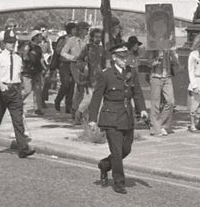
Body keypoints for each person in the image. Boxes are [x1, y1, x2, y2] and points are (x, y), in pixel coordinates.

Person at [91, 42, 148, 194]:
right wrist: (92, 119)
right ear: (114, 58)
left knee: (126, 149)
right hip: (111, 117)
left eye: (126, 57)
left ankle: (105, 165)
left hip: (127, 115)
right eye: (122, 57)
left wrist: (142, 109)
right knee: (116, 151)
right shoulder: (106, 74)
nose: (125, 60)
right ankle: (119, 182)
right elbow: (97, 97)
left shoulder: (131, 72)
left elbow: (137, 93)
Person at [0, 31, 35, 158]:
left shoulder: (18, 58)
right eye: (9, 42)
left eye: (13, 42)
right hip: (1, 90)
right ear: (4, 43)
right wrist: (1, 85)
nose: (12, 45)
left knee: (18, 120)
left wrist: (22, 88)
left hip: (14, 90)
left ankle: (23, 148)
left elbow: (20, 75)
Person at [147, 46, 180, 136]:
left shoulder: (170, 50)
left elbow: (176, 63)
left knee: (170, 101)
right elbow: (149, 63)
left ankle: (162, 125)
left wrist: (173, 53)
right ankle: (155, 129)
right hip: (156, 77)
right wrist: (157, 58)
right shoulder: (153, 48)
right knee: (155, 103)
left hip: (167, 77)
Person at [52, 22, 78, 114]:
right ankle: (58, 100)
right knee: (65, 84)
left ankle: (68, 106)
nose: (76, 31)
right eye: (74, 29)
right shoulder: (63, 39)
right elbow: (58, 51)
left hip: (74, 64)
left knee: (72, 86)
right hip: (64, 64)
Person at [22, 32, 47, 116]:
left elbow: (41, 59)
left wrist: (44, 68)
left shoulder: (38, 48)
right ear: (35, 37)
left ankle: (38, 109)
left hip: (37, 71)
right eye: (40, 36)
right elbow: (24, 57)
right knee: (27, 90)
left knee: (38, 91)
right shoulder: (28, 46)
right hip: (28, 72)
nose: (41, 37)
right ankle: (16, 102)